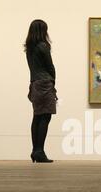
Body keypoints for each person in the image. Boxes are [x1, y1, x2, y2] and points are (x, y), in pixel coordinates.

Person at [24, 19, 58, 163]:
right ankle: (40, 151)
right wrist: (53, 81)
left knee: (37, 117)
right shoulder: (43, 46)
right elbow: (50, 66)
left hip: (34, 84)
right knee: (45, 117)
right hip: (44, 83)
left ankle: (35, 150)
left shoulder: (29, 48)